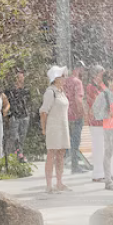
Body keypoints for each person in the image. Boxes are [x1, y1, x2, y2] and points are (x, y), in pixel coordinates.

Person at [40, 65, 71, 193]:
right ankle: (48, 185)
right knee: (51, 154)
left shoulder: (61, 92)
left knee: (61, 155)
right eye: (62, 76)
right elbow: (43, 112)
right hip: (53, 127)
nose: (65, 78)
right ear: (55, 78)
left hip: (63, 126)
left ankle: (59, 182)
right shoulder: (50, 92)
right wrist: (43, 128)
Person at [84, 65, 106, 183]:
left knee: (103, 148)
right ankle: (97, 174)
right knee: (98, 149)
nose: (103, 76)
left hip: (105, 121)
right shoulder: (90, 87)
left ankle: (104, 172)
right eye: (102, 74)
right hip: (96, 122)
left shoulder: (102, 86)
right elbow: (95, 103)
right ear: (96, 74)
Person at [64, 62, 87, 174]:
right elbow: (78, 99)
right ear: (78, 69)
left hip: (66, 114)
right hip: (76, 115)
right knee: (75, 141)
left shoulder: (65, 81)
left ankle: (67, 163)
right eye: (82, 69)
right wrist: (82, 113)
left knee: (68, 141)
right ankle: (75, 166)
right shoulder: (77, 82)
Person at [5, 70, 31, 159]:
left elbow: (28, 102)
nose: (20, 79)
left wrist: (28, 113)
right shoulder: (10, 90)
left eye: (22, 77)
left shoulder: (26, 89)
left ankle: (20, 154)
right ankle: (18, 154)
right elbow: (6, 102)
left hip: (24, 116)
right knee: (15, 137)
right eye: (18, 77)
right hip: (14, 116)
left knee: (22, 137)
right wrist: (9, 115)